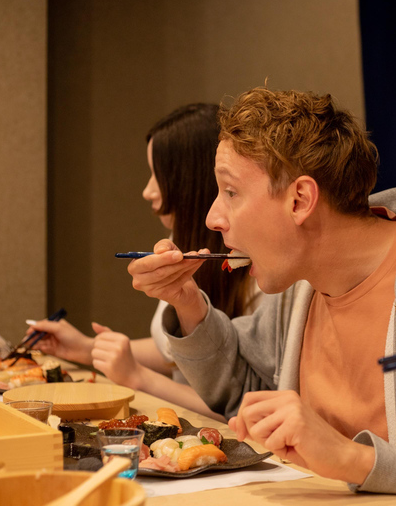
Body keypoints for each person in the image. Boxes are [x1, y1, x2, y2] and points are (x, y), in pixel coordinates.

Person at [126, 87, 396, 503]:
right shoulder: (301, 280)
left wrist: (355, 459)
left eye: (231, 192)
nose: (212, 217)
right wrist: (186, 298)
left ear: (301, 200)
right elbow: (245, 389)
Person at [30, 103, 260, 421]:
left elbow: (241, 403)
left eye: (158, 175)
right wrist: (87, 348)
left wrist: (137, 376)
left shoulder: (262, 273)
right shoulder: (182, 253)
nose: (147, 191)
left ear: (191, 180)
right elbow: (172, 353)